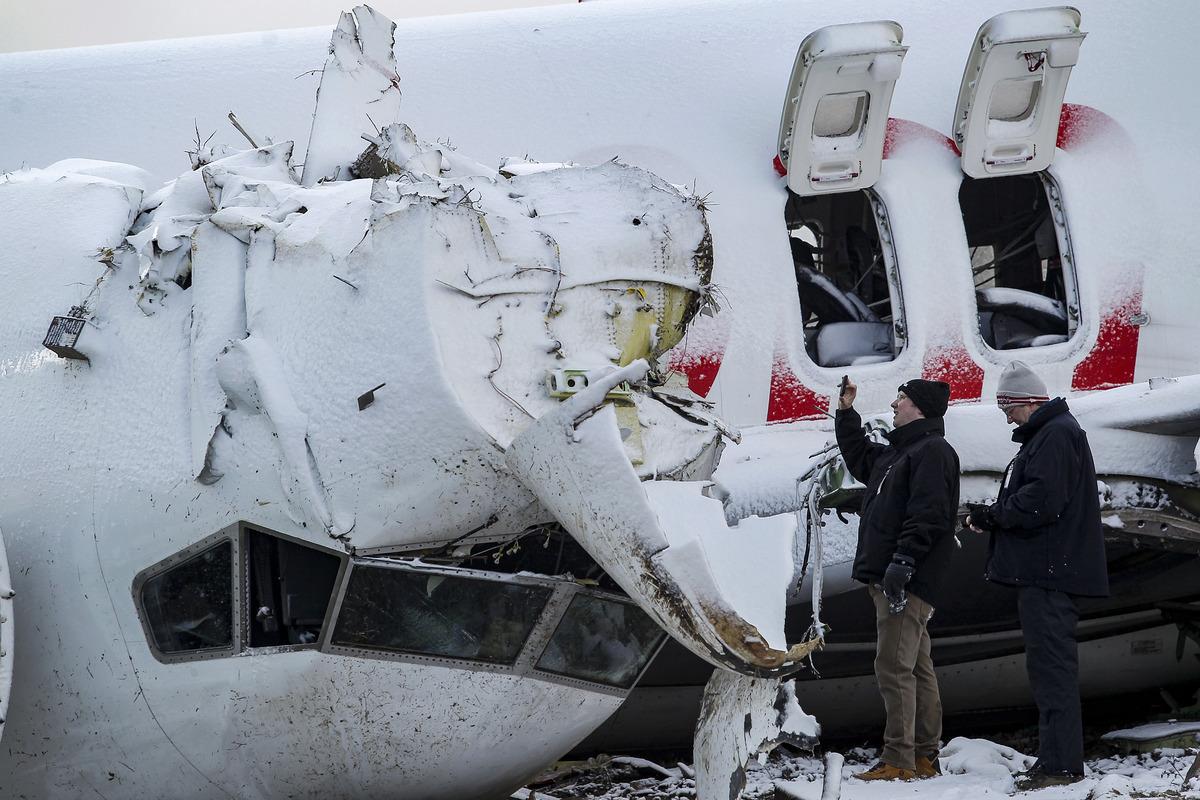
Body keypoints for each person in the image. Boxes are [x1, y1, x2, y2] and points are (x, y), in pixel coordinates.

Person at [967, 361, 1108, 790]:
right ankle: (1055, 761)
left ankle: (1061, 768)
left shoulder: (1056, 434)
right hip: (1048, 573)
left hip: (1050, 575)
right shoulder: (1052, 434)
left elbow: (1041, 501)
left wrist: (992, 516)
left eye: (1007, 407)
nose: (1006, 417)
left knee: (1053, 673)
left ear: (1028, 401)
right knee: (1048, 671)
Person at [836, 377, 960, 781]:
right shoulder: (900, 452)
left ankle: (898, 759)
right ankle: (924, 755)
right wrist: (846, 412)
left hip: (906, 580)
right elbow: (860, 459)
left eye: (901, 398)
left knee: (892, 666)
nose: (893, 403)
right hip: (897, 576)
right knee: (916, 666)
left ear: (919, 407)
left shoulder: (932, 452)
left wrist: (903, 562)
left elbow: (929, 513)